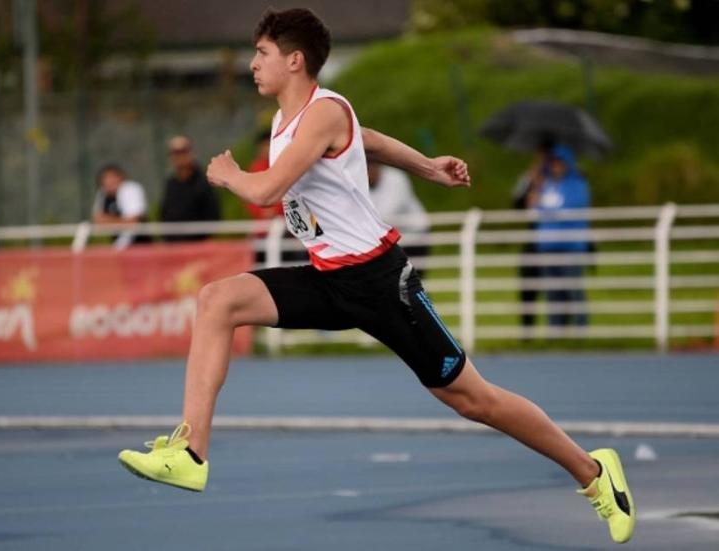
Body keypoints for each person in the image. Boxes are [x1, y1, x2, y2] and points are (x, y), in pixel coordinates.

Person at [117, 8, 633, 545]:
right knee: (218, 301)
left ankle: (595, 474)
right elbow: (369, 140)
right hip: (329, 280)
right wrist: (428, 165)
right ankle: (191, 451)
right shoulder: (291, 120)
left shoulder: (322, 112)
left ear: (295, 61)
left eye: (262, 54)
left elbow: (267, 192)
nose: (252, 65)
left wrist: (231, 175)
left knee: (472, 399)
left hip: (381, 285)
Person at [527, 145, 591, 328]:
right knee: (552, 292)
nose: (556, 165)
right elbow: (532, 207)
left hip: (570, 245)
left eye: (559, 162)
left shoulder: (578, 183)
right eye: (552, 162)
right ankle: (556, 332)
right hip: (547, 246)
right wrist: (535, 181)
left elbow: (573, 207)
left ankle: (581, 331)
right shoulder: (545, 184)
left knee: (573, 290)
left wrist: (548, 212)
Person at [511, 141, 552, 333]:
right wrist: (530, 182)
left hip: (555, 237)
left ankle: (563, 332)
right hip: (535, 235)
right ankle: (527, 331)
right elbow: (516, 201)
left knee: (561, 287)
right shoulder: (531, 176)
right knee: (527, 282)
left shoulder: (563, 178)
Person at [367, 155, 431, 276]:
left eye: (369, 168)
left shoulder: (395, 178)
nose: (367, 174)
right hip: (388, 242)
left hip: (414, 237)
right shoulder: (359, 182)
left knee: (413, 281)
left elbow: (389, 211)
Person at [159, 135, 221, 242]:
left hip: (198, 247)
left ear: (191, 153)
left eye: (182, 151)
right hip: (173, 247)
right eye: (174, 152)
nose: (178, 156)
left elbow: (213, 216)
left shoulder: (205, 182)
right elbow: (164, 215)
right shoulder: (170, 183)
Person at [91, 164, 149, 249]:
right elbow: (98, 221)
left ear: (121, 178)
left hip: (140, 247)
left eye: (112, 178)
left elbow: (133, 222)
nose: (108, 182)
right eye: (105, 179)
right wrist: (122, 221)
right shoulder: (102, 195)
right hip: (119, 248)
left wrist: (108, 221)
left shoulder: (130, 189)